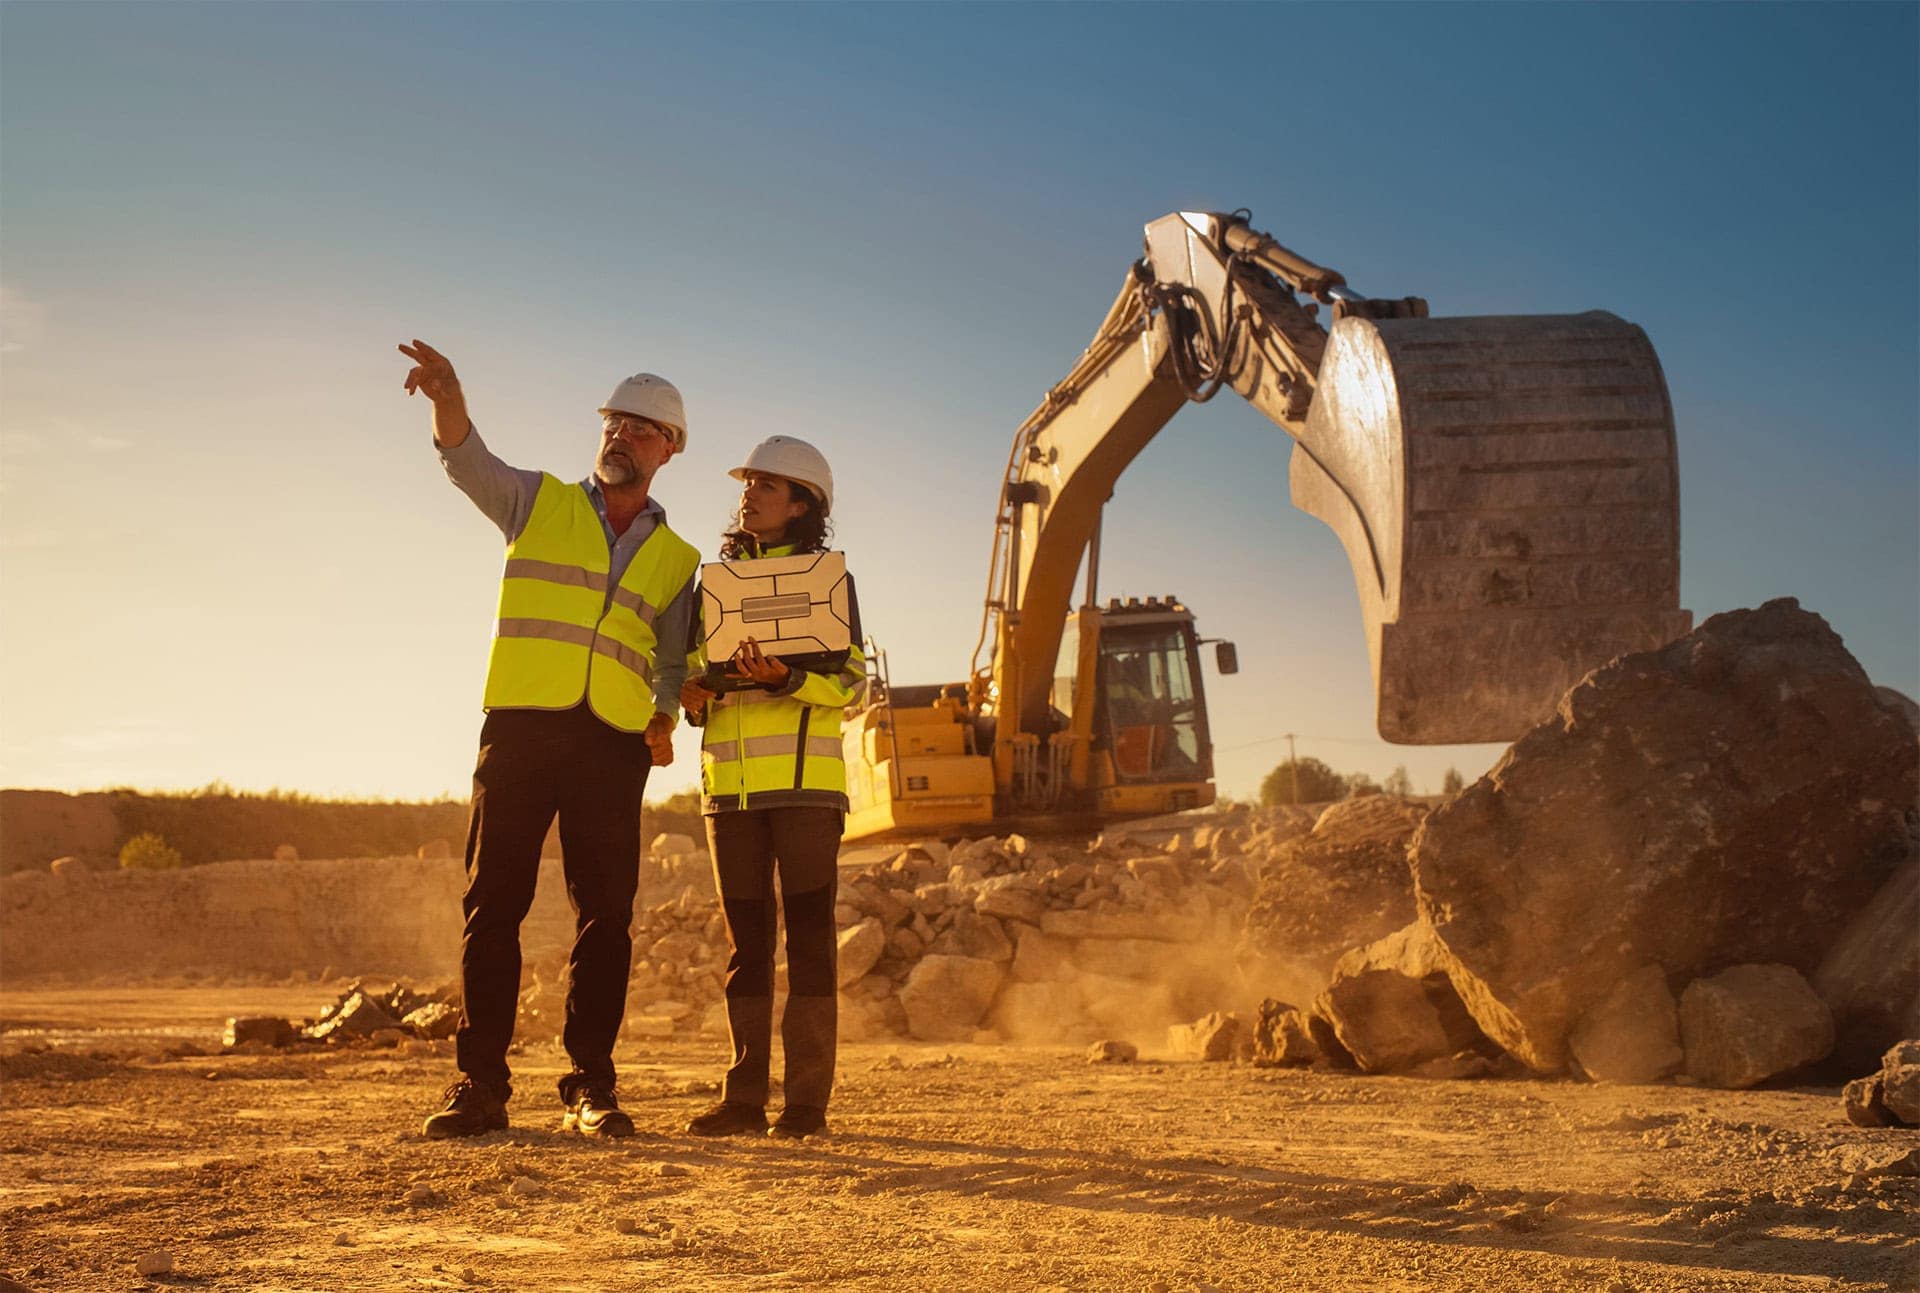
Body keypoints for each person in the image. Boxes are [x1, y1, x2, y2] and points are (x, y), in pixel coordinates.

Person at [397, 339, 699, 1140]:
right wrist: (448, 398)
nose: (622, 437)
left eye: (642, 429)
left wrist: (663, 716)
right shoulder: (539, 502)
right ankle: (480, 1084)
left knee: (607, 916)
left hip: (612, 743)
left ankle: (590, 1086)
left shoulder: (678, 559)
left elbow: (673, 658)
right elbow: (469, 462)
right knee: (493, 904)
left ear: (669, 448)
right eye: (615, 422)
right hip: (523, 727)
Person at [678, 436, 864, 1141]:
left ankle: (807, 1104)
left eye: (766, 483)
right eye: (748, 481)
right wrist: (694, 693)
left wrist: (786, 679)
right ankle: (745, 1100)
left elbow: (852, 683)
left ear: (802, 503)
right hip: (731, 795)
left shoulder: (828, 583)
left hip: (807, 793)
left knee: (811, 940)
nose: (749, 492)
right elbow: (697, 675)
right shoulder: (717, 584)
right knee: (747, 947)